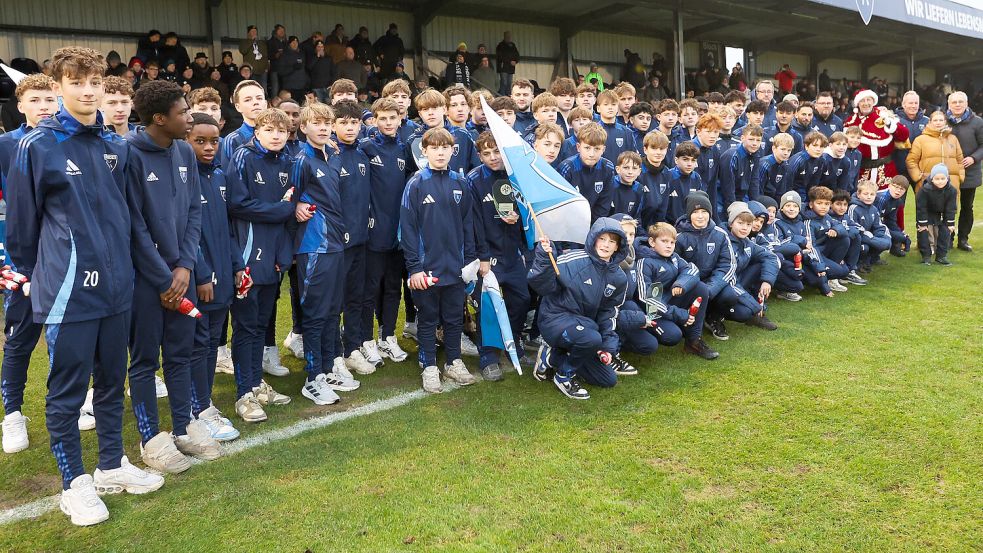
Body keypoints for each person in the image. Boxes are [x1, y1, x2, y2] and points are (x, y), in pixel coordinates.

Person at [6, 46, 164, 526]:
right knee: (68, 391)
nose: (88, 90)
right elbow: (22, 226)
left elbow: (131, 218)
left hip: (116, 287)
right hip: (68, 290)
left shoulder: (117, 146)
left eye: (94, 81)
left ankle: (111, 465)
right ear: (58, 88)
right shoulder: (38, 146)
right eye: (76, 82)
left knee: (112, 381)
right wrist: (33, 275)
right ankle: (73, 484)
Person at [126, 79, 221, 473]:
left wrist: (184, 267)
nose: (190, 118)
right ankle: (151, 438)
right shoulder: (129, 153)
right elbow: (134, 226)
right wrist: (164, 278)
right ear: (159, 118)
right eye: (182, 112)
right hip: (147, 282)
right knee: (145, 360)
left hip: (182, 275)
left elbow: (193, 212)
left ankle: (183, 426)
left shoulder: (183, 151)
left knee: (180, 354)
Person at [226, 108, 296, 423]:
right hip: (247, 258)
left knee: (261, 324)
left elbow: (289, 214)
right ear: (257, 132)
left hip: (273, 259)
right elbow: (237, 204)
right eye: (269, 130)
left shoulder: (287, 162)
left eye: (282, 131)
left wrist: (284, 255)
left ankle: (255, 383)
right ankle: (244, 394)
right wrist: (281, 209)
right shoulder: (243, 157)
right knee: (246, 326)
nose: (276, 135)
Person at [0, 73, 58, 454]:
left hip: (61, 259)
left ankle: (69, 403)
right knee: (21, 338)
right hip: (22, 261)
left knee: (64, 337)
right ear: (20, 105)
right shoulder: (6, 145)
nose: (44, 107)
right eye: (35, 100)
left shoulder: (67, 141)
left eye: (49, 99)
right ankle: (13, 415)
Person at [400, 127, 480, 393]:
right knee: (428, 318)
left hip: (455, 267)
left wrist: (470, 262)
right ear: (424, 151)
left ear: (452, 151)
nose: (440, 152)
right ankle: (429, 366)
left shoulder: (461, 183)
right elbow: (407, 230)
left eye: (445, 148)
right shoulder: (416, 184)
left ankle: (454, 362)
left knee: (454, 317)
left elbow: (468, 224)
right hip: (427, 269)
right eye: (434, 148)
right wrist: (414, 268)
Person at [290, 102, 354, 405]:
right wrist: (296, 206)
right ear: (303, 127)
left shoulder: (331, 156)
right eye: (316, 123)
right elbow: (286, 197)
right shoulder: (301, 160)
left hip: (336, 243)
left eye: (327, 123)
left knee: (331, 310)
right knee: (315, 312)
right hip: (314, 245)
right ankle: (312, 377)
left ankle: (327, 369)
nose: (324, 127)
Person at [185, 113, 243, 442]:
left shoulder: (219, 176)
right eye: (200, 141)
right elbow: (187, 234)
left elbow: (226, 228)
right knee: (199, 344)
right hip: (200, 279)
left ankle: (203, 403)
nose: (209, 147)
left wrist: (237, 265)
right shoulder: (183, 178)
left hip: (222, 274)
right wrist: (202, 273)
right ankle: (198, 408)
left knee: (210, 342)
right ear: (185, 141)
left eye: (214, 141)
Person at [530, 218, 627, 400]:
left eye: (612, 241)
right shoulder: (573, 260)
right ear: (593, 239)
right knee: (591, 338)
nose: (606, 245)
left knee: (608, 379)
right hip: (554, 319)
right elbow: (542, 286)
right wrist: (544, 257)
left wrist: (607, 347)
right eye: (602, 239)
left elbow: (609, 314)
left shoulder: (619, 278)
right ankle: (564, 376)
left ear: (618, 247)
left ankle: (550, 357)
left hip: (586, 329)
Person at [467, 131, 531, 380]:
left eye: (497, 152)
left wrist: (518, 220)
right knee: (488, 306)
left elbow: (529, 212)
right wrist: (482, 256)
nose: (493, 157)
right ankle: (488, 356)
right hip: (488, 257)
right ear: (479, 155)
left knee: (522, 299)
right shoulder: (474, 180)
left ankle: (512, 341)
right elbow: (474, 223)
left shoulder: (516, 176)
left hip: (513, 255)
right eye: (487, 153)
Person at [359, 98, 411, 365]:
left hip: (398, 233)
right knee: (369, 289)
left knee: (393, 287)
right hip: (374, 231)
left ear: (400, 119)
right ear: (375, 120)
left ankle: (387, 336)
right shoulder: (366, 147)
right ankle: (365, 340)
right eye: (383, 118)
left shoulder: (404, 149)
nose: (389, 123)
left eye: (393, 118)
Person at [633, 222, 717, 359]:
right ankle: (663, 329)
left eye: (672, 242)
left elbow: (692, 270)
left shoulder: (674, 258)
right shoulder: (644, 263)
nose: (669, 246)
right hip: (651, 312)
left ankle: (694, 341)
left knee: (700, 288)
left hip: (669, 304)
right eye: (664, 241)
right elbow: (646, 298)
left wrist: (681, 284)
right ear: (652, 242)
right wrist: (679, 314)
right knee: (673, 336)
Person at [725, 202, 780, 330]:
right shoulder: (723, 242)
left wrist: (767, 281)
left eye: (748, 224)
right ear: (731, 223)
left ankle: (757, 310)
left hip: (738, 284)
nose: (745, 228)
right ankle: (713, 318)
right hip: (724, 287)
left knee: (762, 265)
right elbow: (729, 280)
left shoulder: (747, 242)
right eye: (740, 223)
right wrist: (754, 305)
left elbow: (771, 257)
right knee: (743, 313)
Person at [945, 91, 983, 251]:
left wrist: (974, 158)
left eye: (961, 102)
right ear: (949, 105)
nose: (957, 105)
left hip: (970, 172)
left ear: (967, 104)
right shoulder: (942, 121)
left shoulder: (977, 122)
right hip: (947, 173)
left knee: (967, 207)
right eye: (954, 102)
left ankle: (963, 240)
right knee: (947, 207)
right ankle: (947, 239)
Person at [559, 122, 615, 222]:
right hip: (569, 221)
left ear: (603, 149)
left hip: (595, 221)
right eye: (587, 148)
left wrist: (593, 226)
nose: (591, 154)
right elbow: (562, 205)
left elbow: (604, 204)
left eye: (597, 149)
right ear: (578, 147)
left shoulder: (608, 168)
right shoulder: (567, 168)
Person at [906, 109, 965, 193]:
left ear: (945, 122)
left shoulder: (953, 139)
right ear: (930, 122)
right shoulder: (920, 140)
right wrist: (918, 177)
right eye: (935, 120)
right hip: (927, 184)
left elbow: (960, 160)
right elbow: (911, 160)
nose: (938, 122)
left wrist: (960, 176)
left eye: (941, 120)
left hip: (952, 183)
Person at [915, 164, 958, 265]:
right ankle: (926, 256)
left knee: (945, 231)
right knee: (923, 231)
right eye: (937, 179)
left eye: (943, 178)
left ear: (947, 178)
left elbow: (951, 208)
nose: (940, 181)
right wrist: (922, 223)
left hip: (942, 213)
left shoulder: (952, 191)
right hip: (927, 212)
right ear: (932, 179)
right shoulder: (924, 190)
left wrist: (950, 223)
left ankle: (941, 256)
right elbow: (921, 207)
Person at [847, 179, 892, 273]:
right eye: (865, 194)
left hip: (870, 237)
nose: (869, 197)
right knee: (865, 247)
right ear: (858, 194)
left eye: (872, 194)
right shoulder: (853, 208)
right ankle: (858, 264)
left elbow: (879, 226)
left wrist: (880, 237)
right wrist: (871, 238)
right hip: (858, 238)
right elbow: (852, 227)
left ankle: (869, 261)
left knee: (885, 242)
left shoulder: (874, 209)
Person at [221, 80, 267, 165]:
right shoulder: (233, 140)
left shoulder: (278, 135)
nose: (255, 102)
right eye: (248, 100)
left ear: (266, 103)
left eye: (259, 98)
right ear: (238, 107)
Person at [720, 123, 763, 208]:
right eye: (751, 139)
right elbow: (728, 188)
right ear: (742, 138)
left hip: (742, 196)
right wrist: (734, 209)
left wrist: (755, 205)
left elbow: (754, 182)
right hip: (724, 198)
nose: (754, 143)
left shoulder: (755, 154)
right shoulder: (732, 156)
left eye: (758, 140)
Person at [662, 142, 704, 224]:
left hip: (689, 224)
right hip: (669, 225)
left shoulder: (696, 178)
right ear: (676, 160)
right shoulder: (667, 176)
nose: (689, 164)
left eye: (693, 160)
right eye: (685, 159)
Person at [893, 90, 928, 181]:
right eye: (910, 103)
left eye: (916, 103)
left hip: (920, 168)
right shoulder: (894, 120)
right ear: (903, 104)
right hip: (899, 168)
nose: (913, 106)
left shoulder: (927, 121)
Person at [876, 176, 912, 258]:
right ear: (889, 186)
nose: (898, 191)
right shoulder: (882, 198)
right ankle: (871, 258)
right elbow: (875, 224)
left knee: (897, 233)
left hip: (876, 224)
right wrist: (898, 236)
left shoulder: (898, 201)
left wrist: (903, 236)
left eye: (902, 189)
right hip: (866, 225)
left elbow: (891, 221)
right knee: (885, 239)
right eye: (896, 187)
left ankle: (894, 249)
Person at [753, 132, 794, 201]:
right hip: (763, 200)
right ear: (774, 148)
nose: (786, 153)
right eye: (783, 149)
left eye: (789, 150)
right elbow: (758, 190)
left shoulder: (786, 165)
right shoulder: (764, 165)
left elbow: (783, 190)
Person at [596, 90, 631, 162]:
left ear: (617, 108)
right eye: (606, 104)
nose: (610, 107)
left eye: (613, 104)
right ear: (598, 109)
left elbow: (632, 158)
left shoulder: (627, 132)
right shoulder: (592, 131)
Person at [611, 151, 643, 218]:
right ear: (618, 169)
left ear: (639, 171)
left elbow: (637, 217)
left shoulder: (639, 189)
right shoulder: (610, 185)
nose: (630, 172)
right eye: (626, 168)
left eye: (634, 168)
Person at [239, 26, 270, 93]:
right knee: (252, 88)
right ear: (248, 33)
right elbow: (243, 51)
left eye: (255, 31)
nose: (254, 33)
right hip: (251, 71)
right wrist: (251, 41)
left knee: (263, 89)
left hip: (262, 71)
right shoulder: (244, 42)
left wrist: (267, 67)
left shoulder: (261, 43)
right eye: (252, 31)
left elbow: (265, 55)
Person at [495, 31, 519, 96]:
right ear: (504, 36)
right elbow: (500, 56)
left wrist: (515, 61)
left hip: (511, 68)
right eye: (507, 36)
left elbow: (517, 55)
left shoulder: (513, 45)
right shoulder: (500, 45)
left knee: (509, 83)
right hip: (503, 68)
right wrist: (509, 61)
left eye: (509, 36)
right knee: (504, 82)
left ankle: (508, 96)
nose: (509, 37)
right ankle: (502, 96)